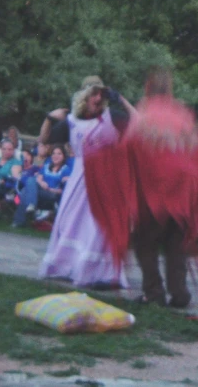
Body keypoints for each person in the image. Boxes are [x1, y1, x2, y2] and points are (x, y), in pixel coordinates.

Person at [91, 67, 198, 307]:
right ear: (170, 88)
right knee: (176, 245)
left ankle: (154, 291)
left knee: (145, 244)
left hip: (154, 195)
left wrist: (100, 159)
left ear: (148, 87)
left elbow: (129, 149)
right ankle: (179, 293)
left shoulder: (146, 114)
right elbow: (195, 149)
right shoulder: (183, 114)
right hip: (182, 196)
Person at [37, 76, 136, 288]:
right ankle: (67, 266)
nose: (98, 98)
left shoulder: (113, 117)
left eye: (102, 93)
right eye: (94, 93)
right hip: (79, 180)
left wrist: (122, 100)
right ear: (85, 96)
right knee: (70, 223)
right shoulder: (72, 122)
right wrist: (48, 118)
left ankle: (97, 272)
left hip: (106, 179)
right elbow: (44, 143)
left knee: (99, 227)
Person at [12, 145, 70, 227]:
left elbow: (64, 190)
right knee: (29, 184)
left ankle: (19, 220)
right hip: (41, 191)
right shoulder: (46, 166)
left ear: (64, 156)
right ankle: (30, 207)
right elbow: (38, 178)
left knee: (26, 190)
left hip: (53, 194)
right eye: (54, 153)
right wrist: (42, 183)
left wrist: (49, 189)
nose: (55, 156)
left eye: (59, 154)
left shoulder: (66, 170)